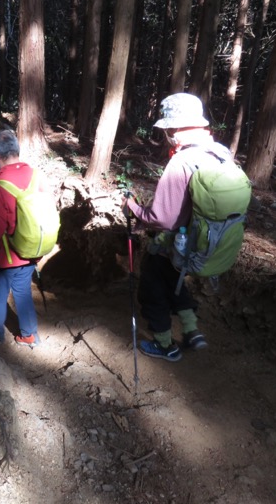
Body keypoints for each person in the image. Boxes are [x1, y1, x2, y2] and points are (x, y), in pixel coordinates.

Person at [122, 92, 218, 362]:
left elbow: (162, 219)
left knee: (152, 290)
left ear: (174, 129)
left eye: (167, 129)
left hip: (172, 243)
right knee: (176, 285)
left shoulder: (181, 162)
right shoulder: (218, 154)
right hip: (201, 243)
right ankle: (191, 331)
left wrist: (132, 207)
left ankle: (165, 346)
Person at [0, 130, 47, 347]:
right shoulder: (36, 175)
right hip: (32, 249)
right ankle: (29, 334)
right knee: (23, 292)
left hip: (6, 257)